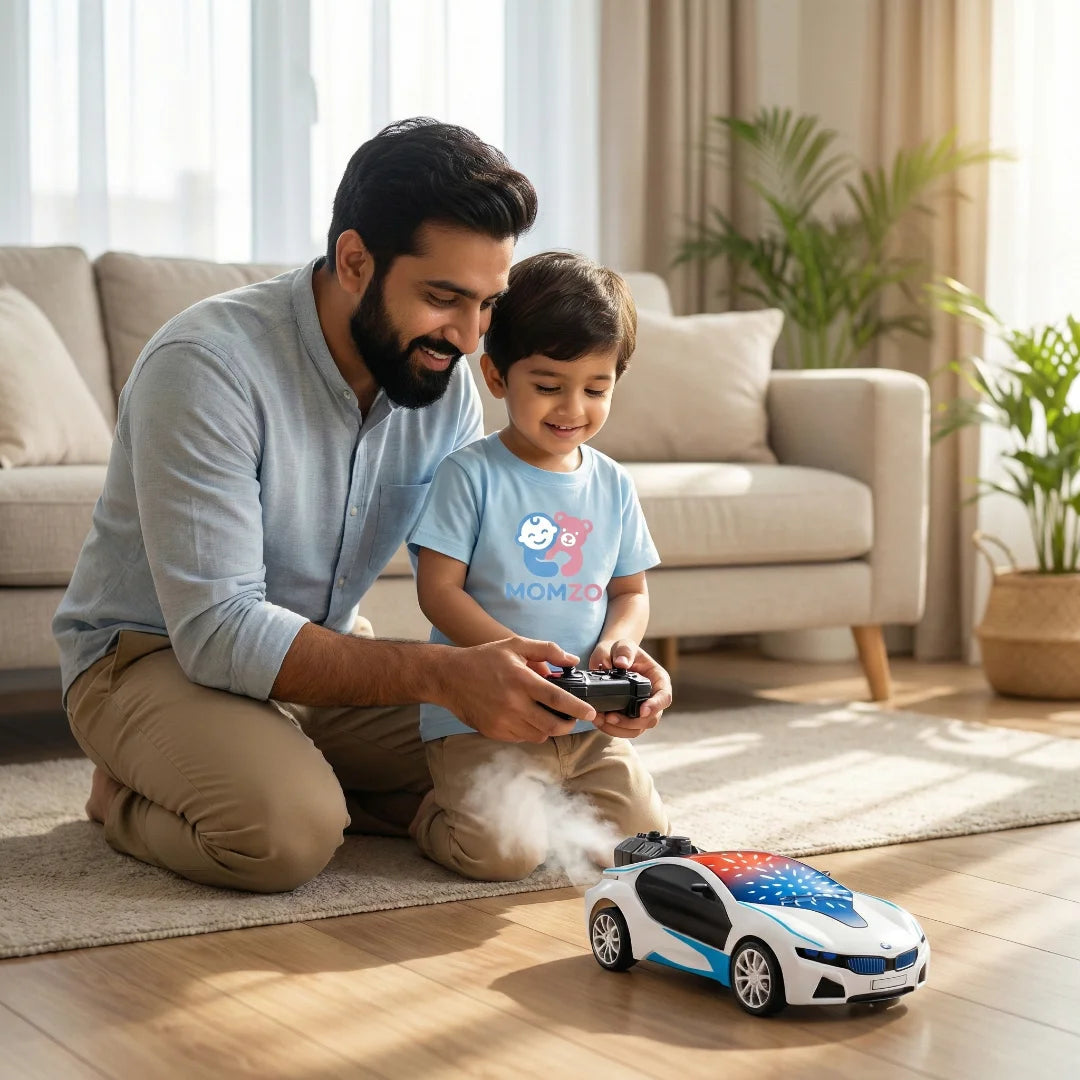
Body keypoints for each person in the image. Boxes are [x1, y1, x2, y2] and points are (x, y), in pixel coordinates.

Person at [52, 118, 673, 893]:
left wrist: (588, 666)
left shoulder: (440, 383)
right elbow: (216, 634)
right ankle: (124, 798)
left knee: (523, 762)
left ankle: (300, 769)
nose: (472, 336)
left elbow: (500, 562)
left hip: (319, 658)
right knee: (287, 834)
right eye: (444, 298)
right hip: (157, 657)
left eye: (488, 304)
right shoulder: (206, 367)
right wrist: (443, 677)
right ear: (354, 261)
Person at [408, 251, 671, 881]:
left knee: (643, 847)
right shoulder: (468, 474)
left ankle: (544, 803)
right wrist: (510, 650)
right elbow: (438, 591)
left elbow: (630, 592)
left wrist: (618, 645)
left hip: (585, 723)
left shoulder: (611, 484)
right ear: (496, 376)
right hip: (485, 718)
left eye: (596, 388)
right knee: (503, 857)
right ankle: (426, 814)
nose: (572, 408)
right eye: (548, 386)